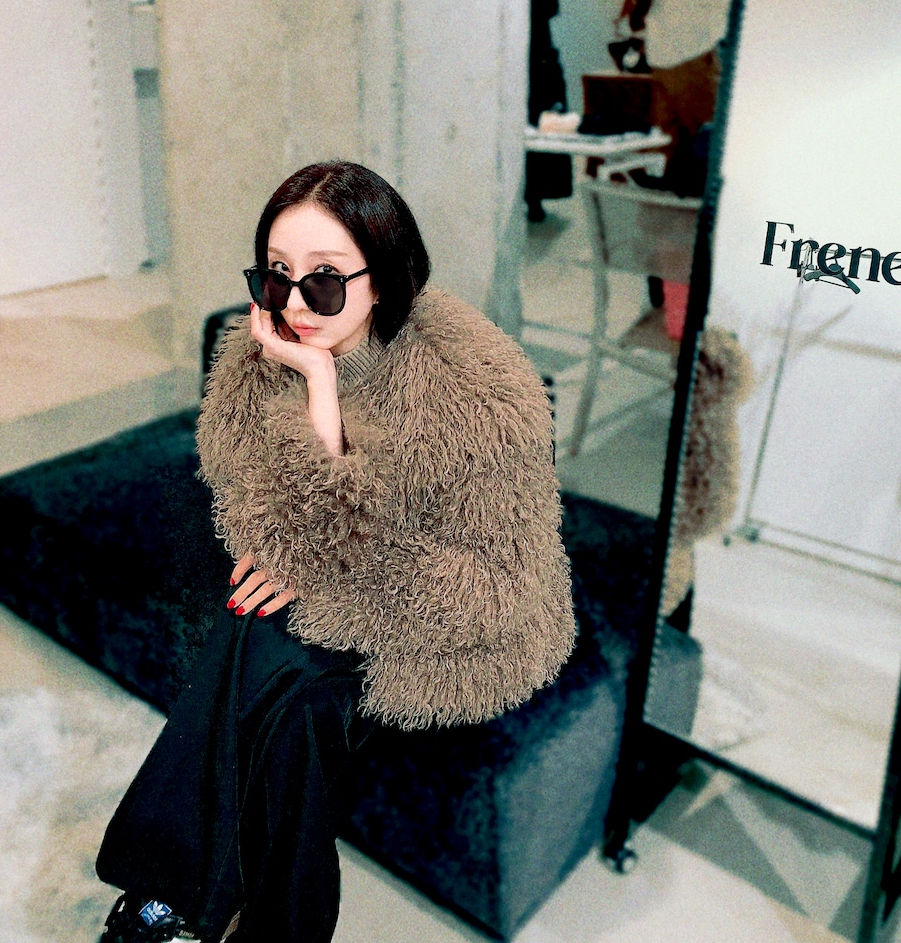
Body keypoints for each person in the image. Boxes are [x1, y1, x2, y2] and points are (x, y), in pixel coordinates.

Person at [95, 160, 576, 943]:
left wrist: (330, 583)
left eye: (323, 280)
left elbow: (494, 589)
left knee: (272, 652)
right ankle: (258, 922)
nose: (293, 304)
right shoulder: (261, 356)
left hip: (458, 620)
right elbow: (255, 524)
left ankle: (162, 899)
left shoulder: (481, 391)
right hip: (359, 598)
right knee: (287, 688)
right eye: (276, 275)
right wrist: (316, 388)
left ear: (381, 278)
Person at [617, 0, 733, 201]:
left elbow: (631, 22)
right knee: (712, 156)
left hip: (663, 68)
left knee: (675, 159)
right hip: (695, 65)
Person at [525, 0, 573, 222]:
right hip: (523, 54)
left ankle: (536, 195)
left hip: (540, 54)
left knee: (542, 121)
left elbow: (548, 7)